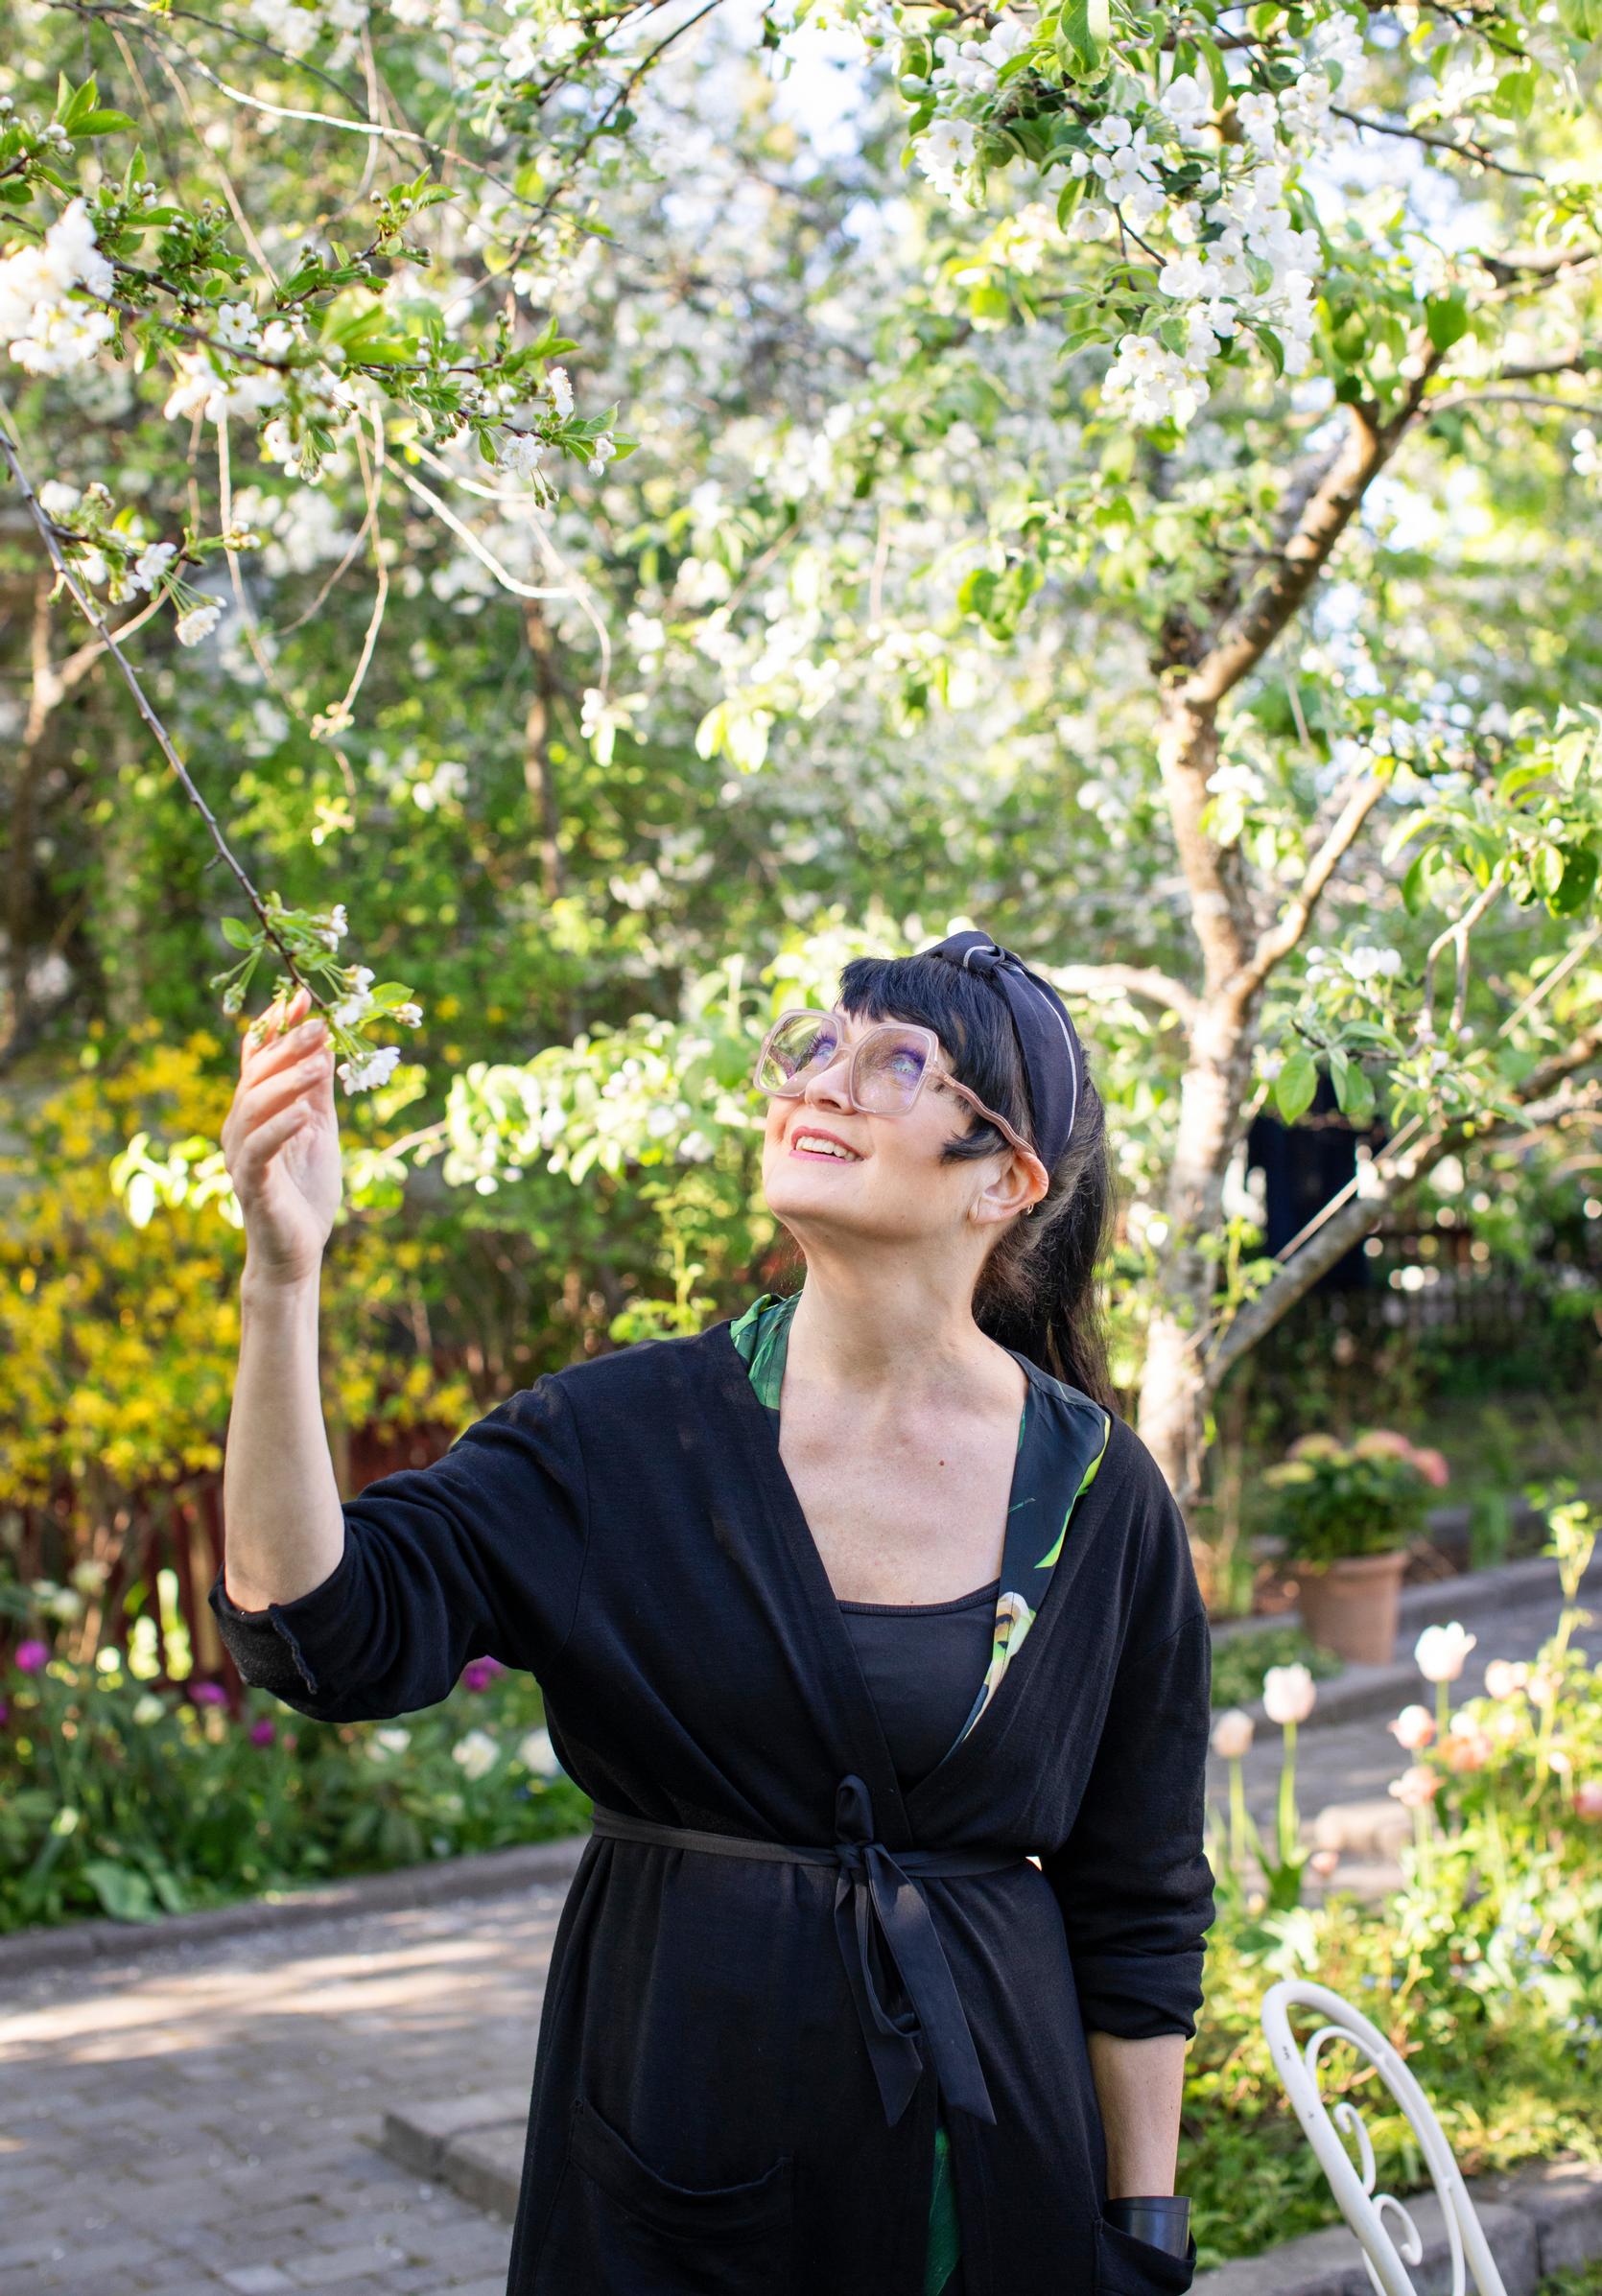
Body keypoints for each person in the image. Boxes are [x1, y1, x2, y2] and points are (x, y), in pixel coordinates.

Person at [210, 928, 1216, 2296]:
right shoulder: (616, 1437)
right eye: (813, 1044)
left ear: (1004, 1178)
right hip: (674, 2147)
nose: (822, 1081)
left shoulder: (1096, 1490)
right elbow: (318, 1627)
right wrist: (283, 1280)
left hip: (984, 2181)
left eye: (895, 1061)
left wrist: (1138, 2224)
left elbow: (1137, 1896)